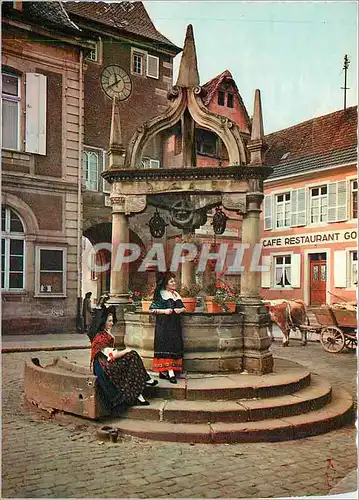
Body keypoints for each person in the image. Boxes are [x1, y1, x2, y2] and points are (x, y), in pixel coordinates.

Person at [90, 305, 158, 415]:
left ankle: (140, 392)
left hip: (107, 362)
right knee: (131, 355)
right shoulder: (100, 337)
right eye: (109, 321)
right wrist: (126, 350)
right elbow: (111, 355)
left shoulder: (107, 334)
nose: (112, 323)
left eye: (112, 321)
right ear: (103, 322)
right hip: (103, 367)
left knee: (132, 356)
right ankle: (144, 384)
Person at [149, 272, 185, 384]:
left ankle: (165, 371)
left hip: (175, 324)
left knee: (174, 346)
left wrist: (181, 310)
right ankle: (170, 373)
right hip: (164, 324)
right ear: (166, 283)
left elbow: (182, 307)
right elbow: (151, 309)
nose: (174, 283)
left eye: (174, 281)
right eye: (171, 281)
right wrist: (164, 311)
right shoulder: (161, 294)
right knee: (166, 346)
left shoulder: (175, 294)